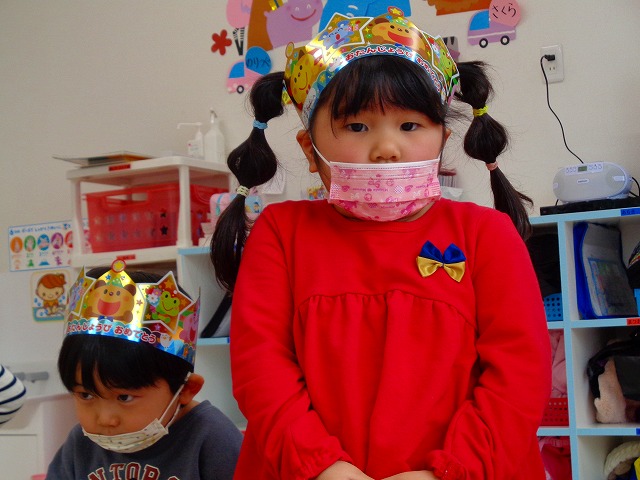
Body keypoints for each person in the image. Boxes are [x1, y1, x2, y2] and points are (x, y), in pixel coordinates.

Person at [210, 8, 551, 480]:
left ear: (442, 139)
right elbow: (260, 368)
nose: (386, 148)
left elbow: (519, 375)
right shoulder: (280, 233)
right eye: (357, 127)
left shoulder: (486, 235)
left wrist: (450, 471)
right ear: (310, 148)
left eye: (409, 126)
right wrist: (323, 468)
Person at [46, 261, 243, 479]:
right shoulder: (81, 444)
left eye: (124, 397)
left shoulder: (213, 437)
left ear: (186, 389)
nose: (105, 419)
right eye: (86, 395)